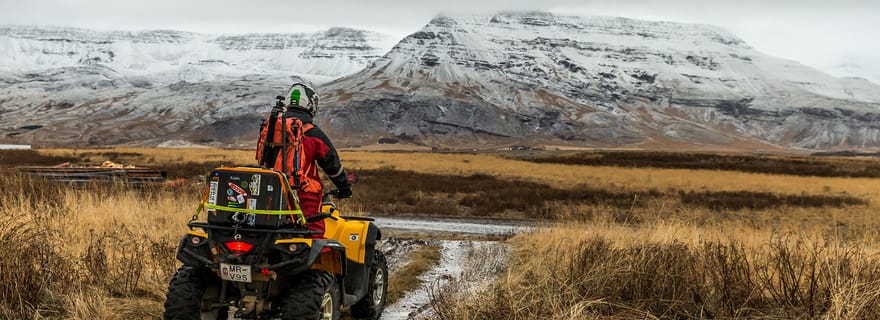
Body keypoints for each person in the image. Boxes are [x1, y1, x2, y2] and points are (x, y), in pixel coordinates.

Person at [256, 83, 352, 236]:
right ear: (311, 106)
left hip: (269, 191)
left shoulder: (272, 128)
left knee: (269, 231)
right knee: (313, 235)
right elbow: (331, 163)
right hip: (302, 193)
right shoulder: (313, 133)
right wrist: (344, 186)